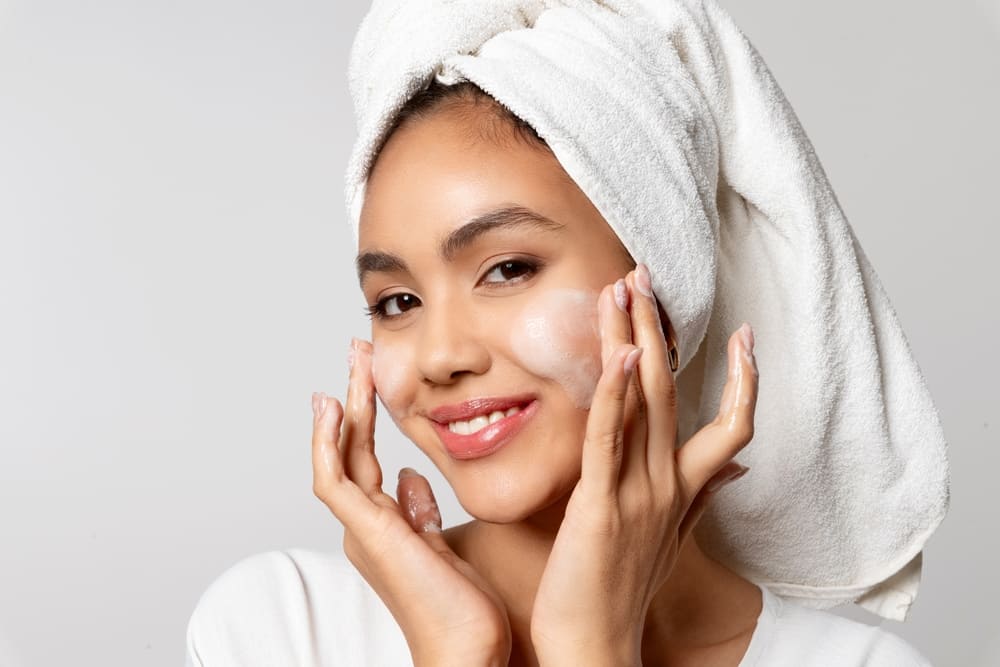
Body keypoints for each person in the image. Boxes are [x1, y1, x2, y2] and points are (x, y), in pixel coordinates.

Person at [186, 1, 949, 664]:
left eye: (509, 268)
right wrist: (455, 654)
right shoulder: (275, 630)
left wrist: (595, 652)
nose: (442, 356)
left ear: (662, 292)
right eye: (397, 301)